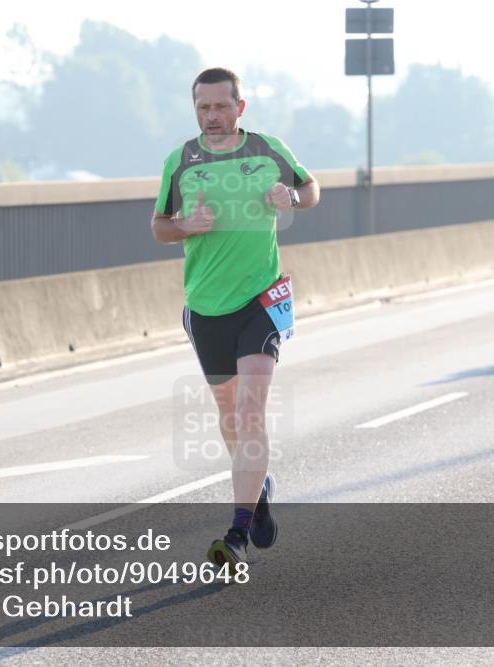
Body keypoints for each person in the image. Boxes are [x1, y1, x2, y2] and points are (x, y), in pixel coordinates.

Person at [151, 67, 320, 572]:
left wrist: (291, 197)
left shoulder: (267, 149)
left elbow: (311, 189)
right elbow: (159, 227)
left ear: (239, 107)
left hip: (261, 299)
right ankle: (258, 488)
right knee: (230, 418)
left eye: (221, 106)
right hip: (205, 305)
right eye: (203, 108)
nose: (212, 116)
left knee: (250, 412)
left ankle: (237, 532)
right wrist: (185, 225)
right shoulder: (181, 161)